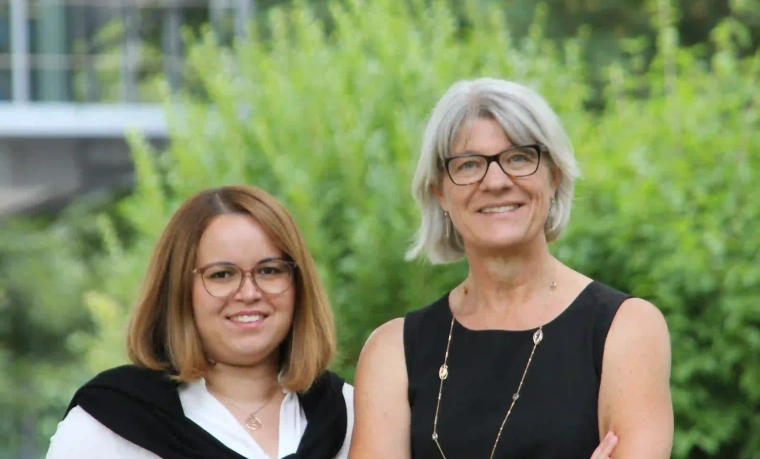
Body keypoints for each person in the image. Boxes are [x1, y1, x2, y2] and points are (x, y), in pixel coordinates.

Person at [349, 78, 673, 459]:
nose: (496, 182)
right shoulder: (392, 353)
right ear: (440, 193)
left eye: (518, 158)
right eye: (469, 165)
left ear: (553, 175)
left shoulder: (627, 330)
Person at [47, 185, 353, 459]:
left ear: (299, 285)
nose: (249, 293)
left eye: (270, 271)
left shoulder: (350, 415)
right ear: (178, 290)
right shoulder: (110, 423)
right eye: (222, 274)